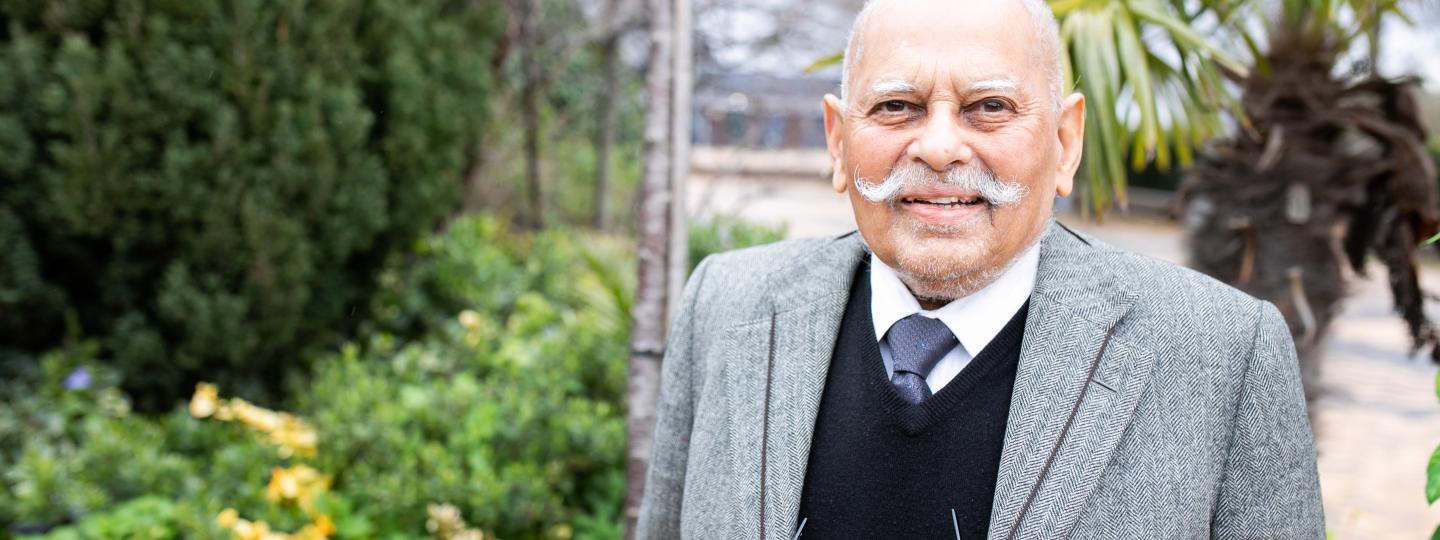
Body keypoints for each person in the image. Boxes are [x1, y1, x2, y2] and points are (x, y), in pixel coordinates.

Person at [635, 0, 1324, 537]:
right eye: (897, 106)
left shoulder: (1223, 356)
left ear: (1065, 139)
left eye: (989, 107)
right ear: (839, 141)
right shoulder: (726, 308)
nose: (938, 147)